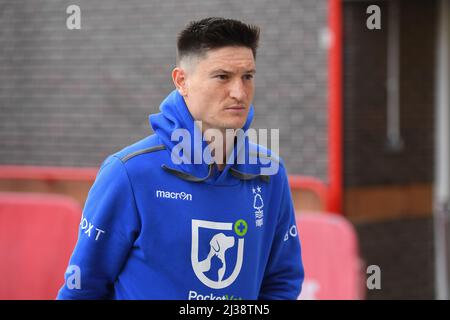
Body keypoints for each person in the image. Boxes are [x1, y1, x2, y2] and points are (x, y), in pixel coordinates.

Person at [57, 17, 304, 300]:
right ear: (182, 81)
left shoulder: (270, 173)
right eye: (222, 76)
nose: (239, 92)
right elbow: (82, 288)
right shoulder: (129, 173)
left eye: (247, 76)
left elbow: (282, 282)